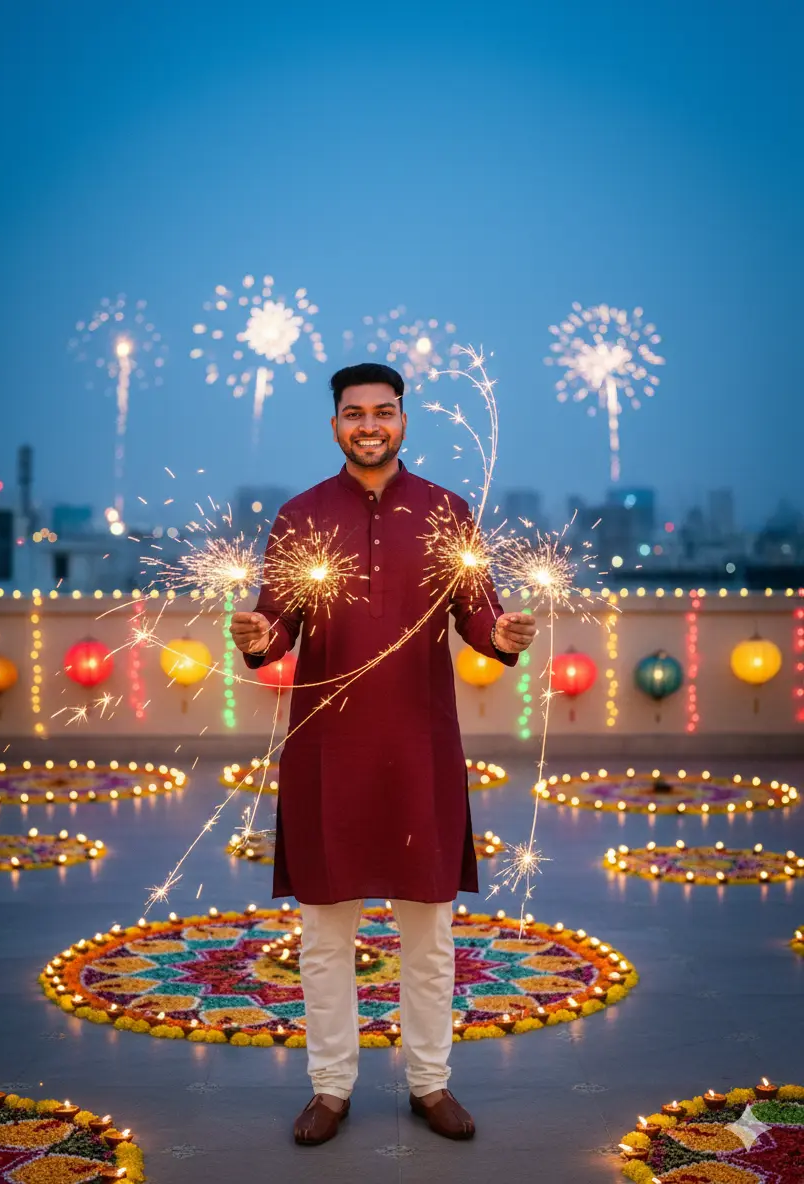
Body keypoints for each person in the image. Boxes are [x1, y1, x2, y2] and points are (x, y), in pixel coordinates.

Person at [230, 362, 537, 1146]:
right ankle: (330, 1089)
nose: (371, 424)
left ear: (405, 420)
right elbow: (275, 624)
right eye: (355, 413)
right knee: (325, 934)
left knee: (428, 932)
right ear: (334, 424)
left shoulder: (447, 511)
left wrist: (498, 637)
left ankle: (430, 1083)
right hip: (326, 753)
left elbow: (480, 616)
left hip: (421, 749)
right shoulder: (300, 517)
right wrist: (257, 637)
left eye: (385, 411)